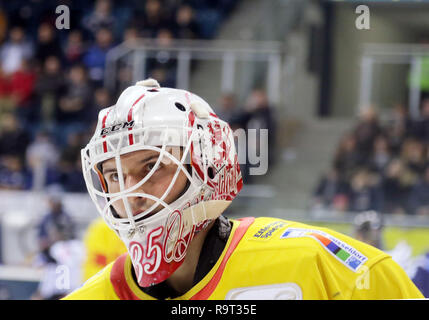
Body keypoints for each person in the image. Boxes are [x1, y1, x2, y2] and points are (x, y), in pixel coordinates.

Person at [64, 79, 423, 300]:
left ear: (206, 163)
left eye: (151, 167)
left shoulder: (323, 266)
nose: (130, 193)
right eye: (113, 175)